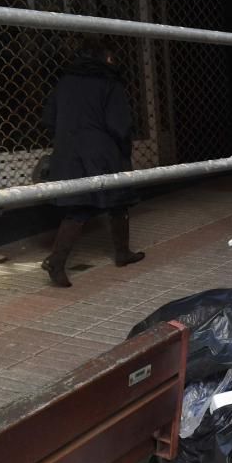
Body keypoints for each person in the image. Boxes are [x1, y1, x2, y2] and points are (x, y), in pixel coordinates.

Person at [40, 38, 144, 287]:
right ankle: (120, 253)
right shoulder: (109, 82)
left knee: (80, 206)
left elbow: (48, 118)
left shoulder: (64, 82)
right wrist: (124, 148)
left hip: (69, 152)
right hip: (103, 153)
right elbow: (119, 124)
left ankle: (59, 259)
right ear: (106, 57)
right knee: (118, 201)